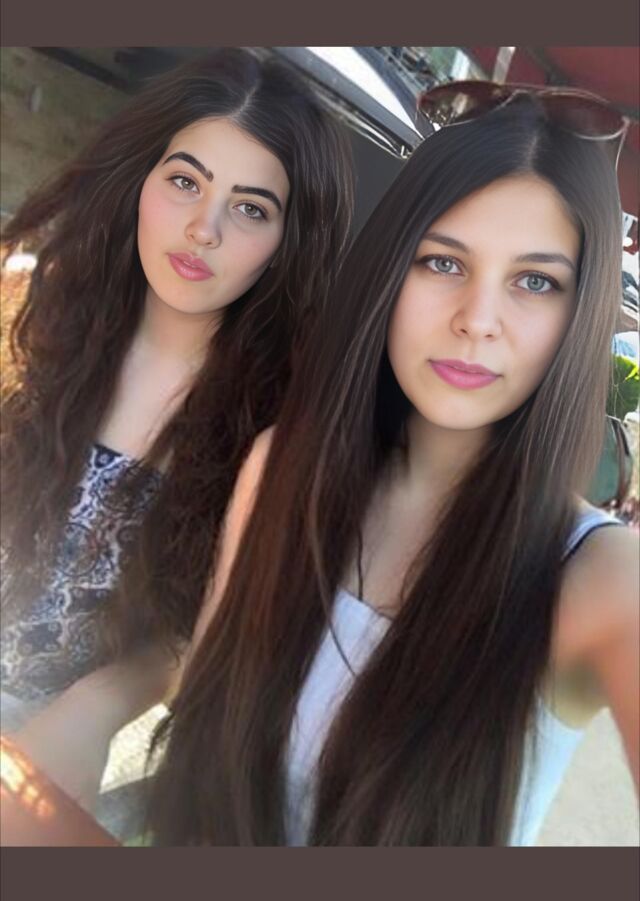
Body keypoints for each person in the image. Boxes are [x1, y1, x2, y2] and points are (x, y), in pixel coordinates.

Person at [147, 87, 639, 846]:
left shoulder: (600, 579)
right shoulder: (281, 470)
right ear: (388, 271)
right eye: (443, 262)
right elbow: (197, 716)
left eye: (535, 281)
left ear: (580, 315)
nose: (478, 319)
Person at [0, 49, 354, 808]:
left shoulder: (274, 434)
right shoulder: (27, 317)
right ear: (142, 179)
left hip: (42, 753)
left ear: (288, 242)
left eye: (251, 208)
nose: (203, 228)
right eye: (186, 182)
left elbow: (203, 630)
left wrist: (101, 703)